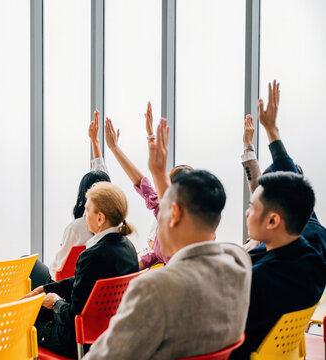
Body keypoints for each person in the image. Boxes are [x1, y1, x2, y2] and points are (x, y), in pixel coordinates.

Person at [83, 119, 252, 360]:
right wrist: (157, 173)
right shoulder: (239, 264)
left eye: (162, 212)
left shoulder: (155, 290)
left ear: (174, 216)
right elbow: (156, 198)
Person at [230, 81, 326, 359]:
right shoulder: (313, 240)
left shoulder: (259, 280)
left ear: (273, 220)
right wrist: (272, 132)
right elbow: (291, 183)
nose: (248, 212)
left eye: (252, 206)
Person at [24, 182, 139, 358]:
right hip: (107, 331)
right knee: (40, 306)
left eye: (87, 210)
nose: (84, 215)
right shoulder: (128, 248)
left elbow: (73, 317)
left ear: (100, 218)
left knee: (28, 328)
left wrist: (55, 302)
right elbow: (86, 283)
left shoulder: (91, 255)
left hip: (76, 340)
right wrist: (46, 289)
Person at [104, 102, 192, 269]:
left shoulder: (178, 219)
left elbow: (141, 182)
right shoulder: (167, 213)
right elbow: (141, 182)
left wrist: (115, 148)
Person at [30, 110, 110, 288]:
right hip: (97, 287)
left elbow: (58, 269)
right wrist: (95, 142)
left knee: (30, 264)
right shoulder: (116, 225)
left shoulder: (77, 227)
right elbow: (105, 186)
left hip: (68, 287)